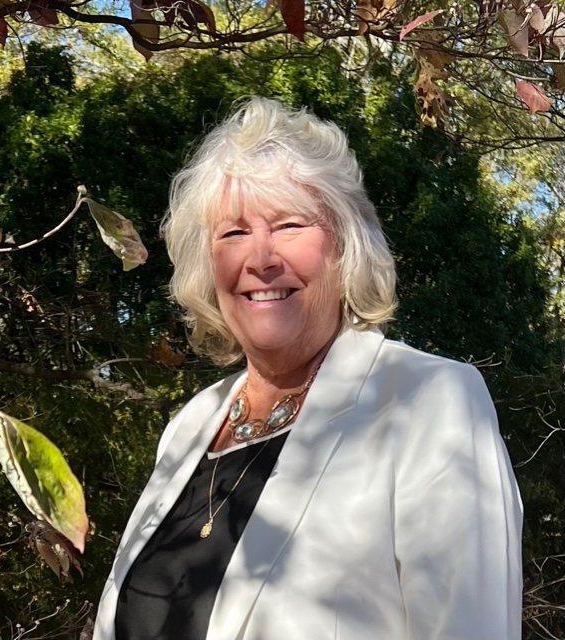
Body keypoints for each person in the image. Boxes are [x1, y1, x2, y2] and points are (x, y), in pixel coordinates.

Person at [93, 98, 523, 640]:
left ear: (346, 248)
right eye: (233, 233)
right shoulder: (190, 425)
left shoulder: (428, 402)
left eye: (289, 224)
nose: (261, 258)